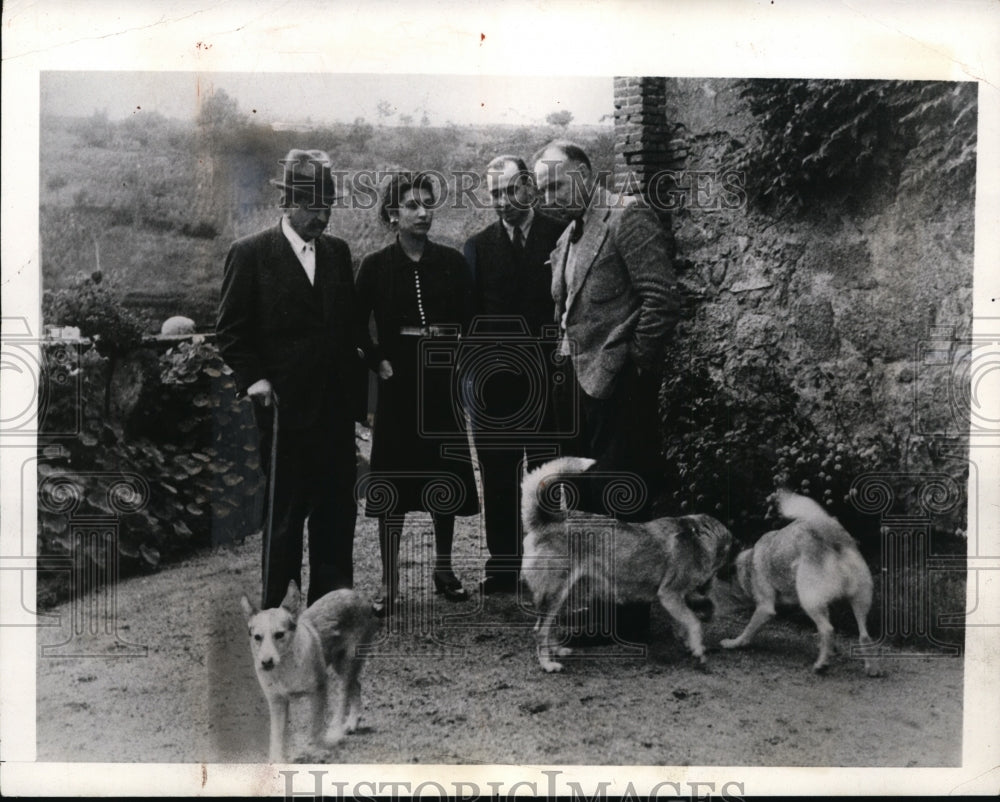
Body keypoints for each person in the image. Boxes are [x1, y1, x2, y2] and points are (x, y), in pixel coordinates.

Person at [533, 140, 680, 641]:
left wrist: (635, 368)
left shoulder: (626, 216)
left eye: (556, 182)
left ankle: (630, 619)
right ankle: (600, 610)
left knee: (624, 501)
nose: (549, 194)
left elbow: (661, 298)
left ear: (585, 173)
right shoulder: (569, 233)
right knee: (590, 503)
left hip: (618, 386)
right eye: (543, 187)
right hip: (576, 384)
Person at [217, 149, 366, 609]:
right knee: (284, 515)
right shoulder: (250, 253)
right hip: (283, 410)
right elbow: (231, 331)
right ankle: (277, 612)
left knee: (336, 511)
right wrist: (254, 379)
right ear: (289, 203)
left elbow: (347, 328)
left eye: (328, 206)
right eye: (313, 206)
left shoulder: (338, 253)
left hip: (335, 409)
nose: (322, 216)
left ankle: (330, 606)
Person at [356, 171, 479, 615]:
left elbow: (472, 318)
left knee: (443, 476)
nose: (423, 212)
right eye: (411, 204)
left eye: (428, 203)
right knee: (391, 484)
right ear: (392, 214)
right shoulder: (374, 266)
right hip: (397, 382)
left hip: (441, 382)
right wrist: (376, 359)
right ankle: (389, 582)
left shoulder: (451, 262)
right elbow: (354, 323)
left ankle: (443, 568)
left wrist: (460, 359)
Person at [462, 155, 568, 595]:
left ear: (528, 188)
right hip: (496, 385)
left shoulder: (558, 233)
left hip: (546, 380)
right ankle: (502, 565)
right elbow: (468, 320)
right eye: (493, 194)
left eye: (509, 191)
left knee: (543, 477)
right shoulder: (478, 246)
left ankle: (543, 564)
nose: (502, 202)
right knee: (499, 474)